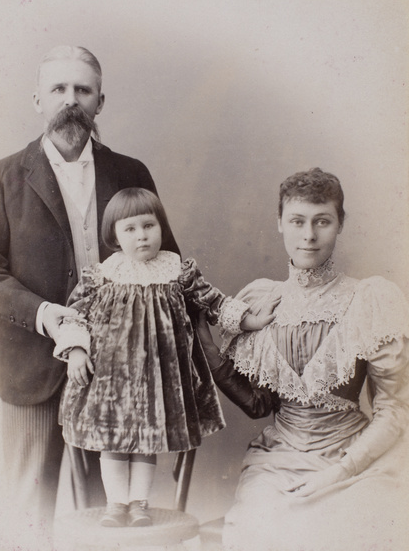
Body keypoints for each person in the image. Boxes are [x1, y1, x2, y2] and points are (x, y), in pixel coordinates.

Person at [0, 46, 180, 541]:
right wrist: (48, 316)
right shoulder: (0, 179)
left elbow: (168, 268)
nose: (71, 100)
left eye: (82, 90)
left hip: (117, 368)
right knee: (25, 511)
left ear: (99, 102)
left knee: (111, 513)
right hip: (31, 367)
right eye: (59, 89)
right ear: (38, 100)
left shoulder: (131, 174)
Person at [200, 168, 409, 551]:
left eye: (322, 221)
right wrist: (201, 334)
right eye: (297, 221)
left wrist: (338, 473)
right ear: (280, 223)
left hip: (356, 459)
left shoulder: (368, 300)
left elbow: (396, 408)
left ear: (340, 223)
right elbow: (259, 403)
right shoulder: (261, 301)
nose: (309, 236)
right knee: (269, 529)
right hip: (277, 461)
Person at [52, 187, 278, 529]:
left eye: (149, 226)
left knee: (147, 441)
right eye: (130, 229)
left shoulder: (177, 271)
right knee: (113, 441)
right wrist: (78, 350)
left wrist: (250, 320)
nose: (141, 236)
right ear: (114, 236)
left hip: (160, 378)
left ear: (161, 227)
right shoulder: (103, 275)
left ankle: (139, 503)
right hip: (111, 380)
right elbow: (74, 315)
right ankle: (115, 505)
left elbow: (214, 303)